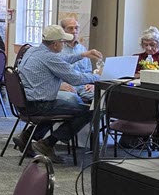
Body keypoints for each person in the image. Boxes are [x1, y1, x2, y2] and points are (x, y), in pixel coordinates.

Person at [17, 24, 103, 164]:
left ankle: (28, 135)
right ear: (55, 44)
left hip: (26, 103)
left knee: (65, 107)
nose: (65, 43)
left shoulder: (32, 51)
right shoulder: (50, 58)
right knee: (89, 111)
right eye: (63, 41)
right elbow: (75, 79)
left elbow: (62, 59)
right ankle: (49, 142)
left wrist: (83, 55)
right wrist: (98, 76)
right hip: (40, 105)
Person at [57, 17, 94, 104]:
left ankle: (94, 117)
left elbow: (88, 72)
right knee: (73, 99)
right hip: (65, 88)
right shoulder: (57, 49)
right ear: (63, 31)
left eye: (76, 28)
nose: (74, 31)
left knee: (103, 96)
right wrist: (58, 86)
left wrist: (91, 84)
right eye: (70, 28)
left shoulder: (83, 49)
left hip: (83, 87)